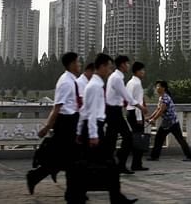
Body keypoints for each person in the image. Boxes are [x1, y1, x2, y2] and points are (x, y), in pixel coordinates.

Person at [69, 53, 137, 204]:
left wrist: (81, 131)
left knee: (93, 164)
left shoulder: (95, 84)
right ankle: (79, 194)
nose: (109, 70)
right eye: (108, 66)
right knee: (106, 164)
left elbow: (85, 111)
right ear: (101, 66)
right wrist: (93, 135)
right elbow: (91, 113)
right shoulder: (95, 86)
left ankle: (79, 194)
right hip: (93, 129)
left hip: (90, 128)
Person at [26, 52, 81, 198]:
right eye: (77, 62)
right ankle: (73, 194)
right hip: (65, 124)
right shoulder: (65, 82)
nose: (79, 65)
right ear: (71, 64)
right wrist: (47, 127)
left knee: (65, 160)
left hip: (71, 122)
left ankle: (35, 177)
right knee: (71, 161)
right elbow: (57, 108)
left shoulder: (72, 80)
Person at [105, 56, 147, 174]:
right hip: (114, 112)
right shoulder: (117, 78)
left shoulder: (118, 78)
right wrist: (140, 107)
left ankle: (113, 163)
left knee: (112, 139)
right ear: (122, 65)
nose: (128, 66)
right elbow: (127, 96)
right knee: (127, 137)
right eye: (127, 64)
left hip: (114, 111)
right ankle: (119, 163)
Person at [146, 80, 191, 162]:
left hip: (171, 122)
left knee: (163, 138)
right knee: (162, 138)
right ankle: (189, 156)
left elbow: (161, 110)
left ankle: (154, 156)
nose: (157, 88)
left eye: (158, 86)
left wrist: (153, 119)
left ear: (163, 88)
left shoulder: (165, 97)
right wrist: (150, 117)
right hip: (170, 122)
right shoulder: (161, 97)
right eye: (156, 86)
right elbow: (158, 109)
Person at [126, 61, 148, 171]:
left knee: (134, 138)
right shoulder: (137, 84)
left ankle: (136, 163)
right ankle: (137, 163)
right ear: (137, 71)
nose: (144, 72)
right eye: (142, 70)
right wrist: (140, 118)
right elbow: (137, 102)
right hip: (136, 114)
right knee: (139, 139)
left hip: (129, 112)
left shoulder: (130, 82)